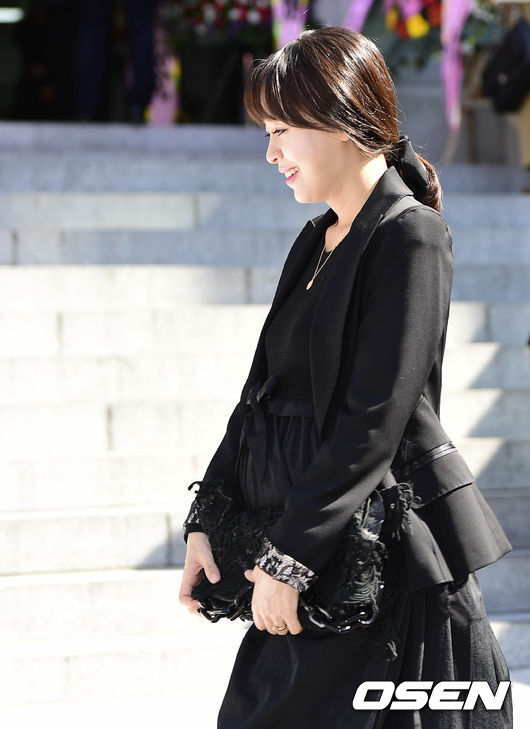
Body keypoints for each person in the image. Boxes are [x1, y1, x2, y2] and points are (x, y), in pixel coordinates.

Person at [179, 27, 513, 729]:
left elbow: (375, 420)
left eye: (281, 131)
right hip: (306, 555)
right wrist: (208, 518)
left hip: (378, 569)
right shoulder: (316, 239)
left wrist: (290, 560)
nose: (270, 153)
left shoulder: (411, 235)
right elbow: (258, 398)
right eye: (266, 133)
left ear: (337, 119)